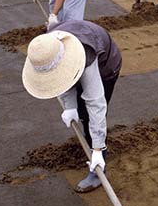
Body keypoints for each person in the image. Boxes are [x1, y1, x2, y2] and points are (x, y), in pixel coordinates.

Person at [21, 20, 122, 192]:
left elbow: (95, 102)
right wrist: (70, 106)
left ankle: (99, 167)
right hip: (82, 50)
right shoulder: (48, 47)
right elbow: (60, 79)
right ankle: (91, 136)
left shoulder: (86, 54)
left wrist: (97, 148)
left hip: (106, 66)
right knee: (80, 109)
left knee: (89, 114)